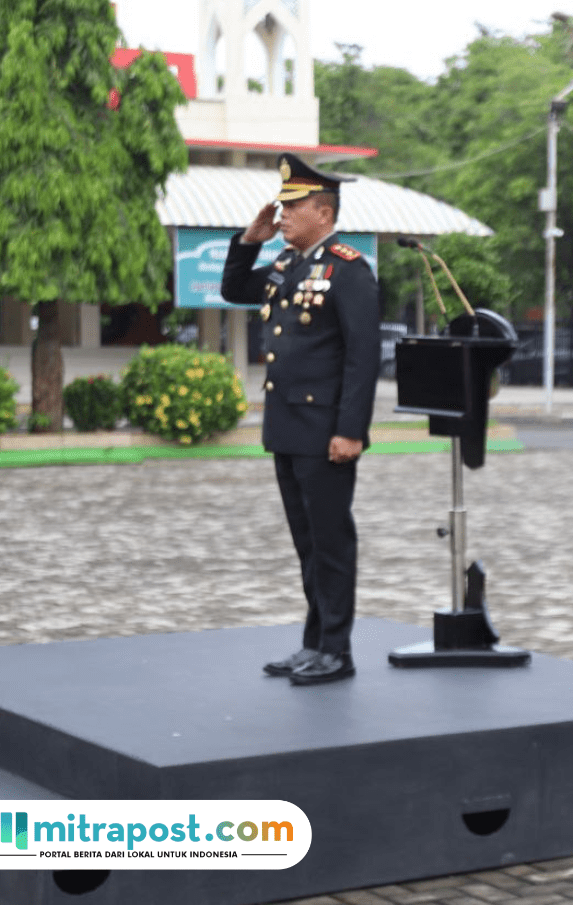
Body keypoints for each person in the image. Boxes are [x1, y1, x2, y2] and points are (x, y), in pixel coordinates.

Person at [220, 153, 381, 686]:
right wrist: (250, 240)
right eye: (282, 206)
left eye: (293, 207)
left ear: (324, 212)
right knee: (307, 543)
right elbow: (234, 290)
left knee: (332, 542)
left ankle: (337, 650)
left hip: (325, 431)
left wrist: (351, 430)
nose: (282, 214)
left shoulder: (347, 268)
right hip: (287, 428)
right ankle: (314, 643)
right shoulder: (288, 266)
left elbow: (363, 355)